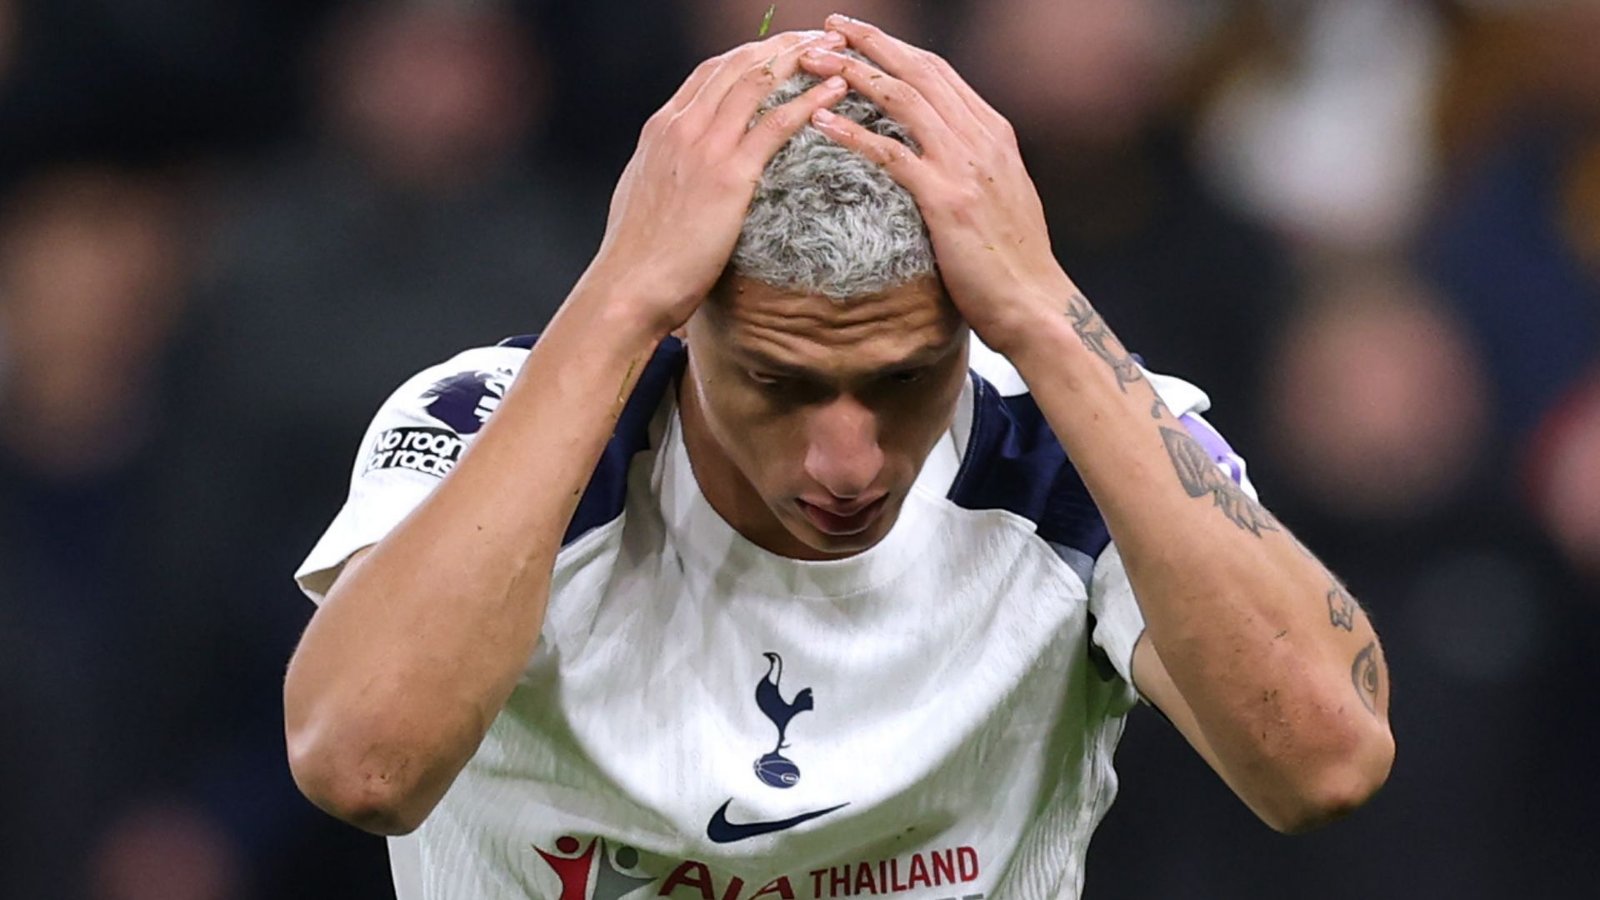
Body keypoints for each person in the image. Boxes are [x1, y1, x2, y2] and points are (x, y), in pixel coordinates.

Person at [284, 20, 1394, 899]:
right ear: (684, 315)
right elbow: (362, 765)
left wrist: (1046, 310)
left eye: (904, 379)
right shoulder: (493, 418)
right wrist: (618, 295)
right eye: (780, 381)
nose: (847, 460)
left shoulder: (1078, 442)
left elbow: (1323, 763)